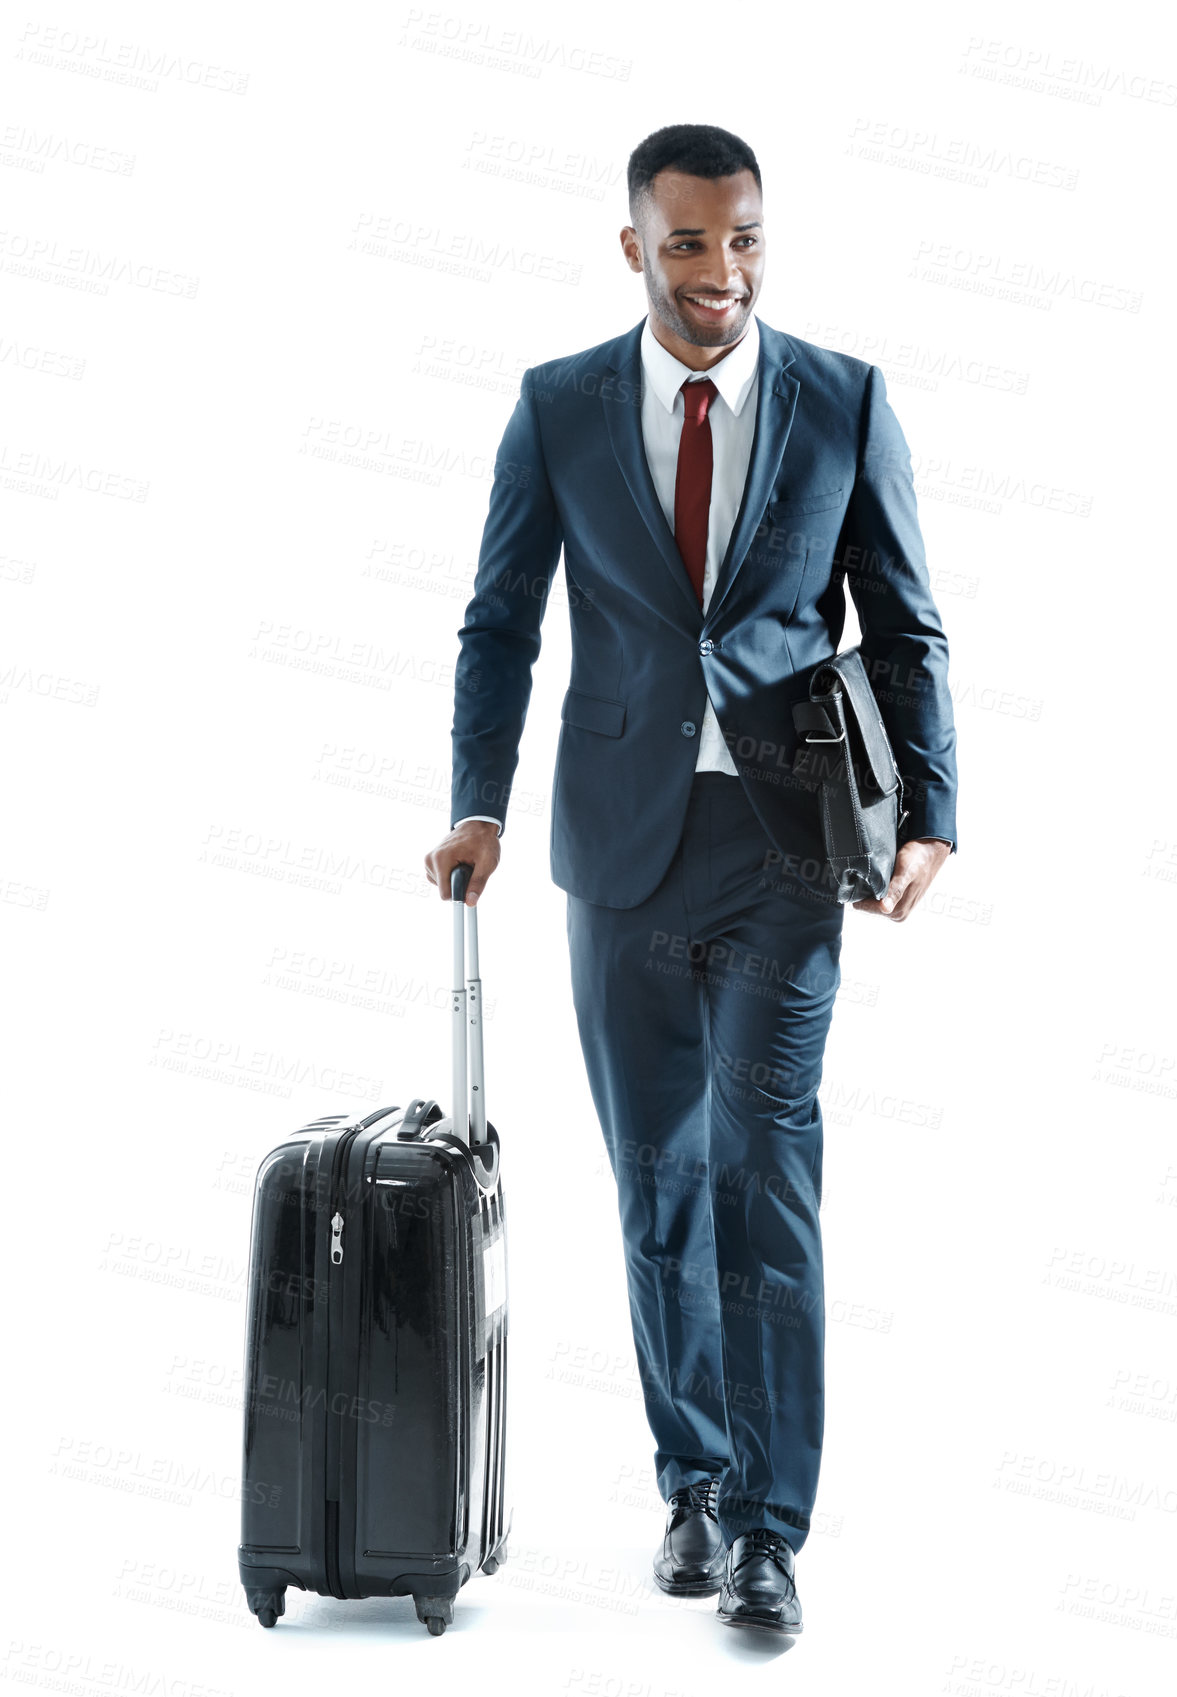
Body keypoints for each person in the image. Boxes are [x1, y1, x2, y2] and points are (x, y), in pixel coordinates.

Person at [425, 122, 958, 1636]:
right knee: (656, 1182)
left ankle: (773, 1530)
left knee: (762, 1176)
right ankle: (694, 1483)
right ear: (632, 248)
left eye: (742, 242)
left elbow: (905, 622)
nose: (719, 273)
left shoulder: (842, 398)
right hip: (619, 850)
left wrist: (933, 808)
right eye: (686, 245)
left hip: (788, 850)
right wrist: (476, 803)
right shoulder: (559, 409)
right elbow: (497, 624)